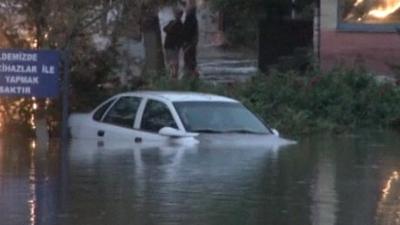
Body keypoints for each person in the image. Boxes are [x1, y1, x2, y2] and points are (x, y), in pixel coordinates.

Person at [163, 8, 184, 79]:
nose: (176, 15)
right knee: (169, 60)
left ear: (180, 15)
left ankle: (175, 75)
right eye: (176, 14)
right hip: (168, 45)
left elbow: (180, 37)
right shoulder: (172, 22)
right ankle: (172, 74)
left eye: (178, 14)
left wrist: (178, 46)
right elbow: (165, 29)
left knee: (174, 61)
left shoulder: (180, 25)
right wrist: (173, 23)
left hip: (174, 46)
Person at [182, 4, 199, 77]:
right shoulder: (193, 18)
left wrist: (184, 40)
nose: (185, 9)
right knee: (191, 57)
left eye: (187, 8)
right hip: (192, 42)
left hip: (189, 42)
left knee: (188, 57)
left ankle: (190, 73)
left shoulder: (189, 18)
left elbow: (187, 31)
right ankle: (192, 72)